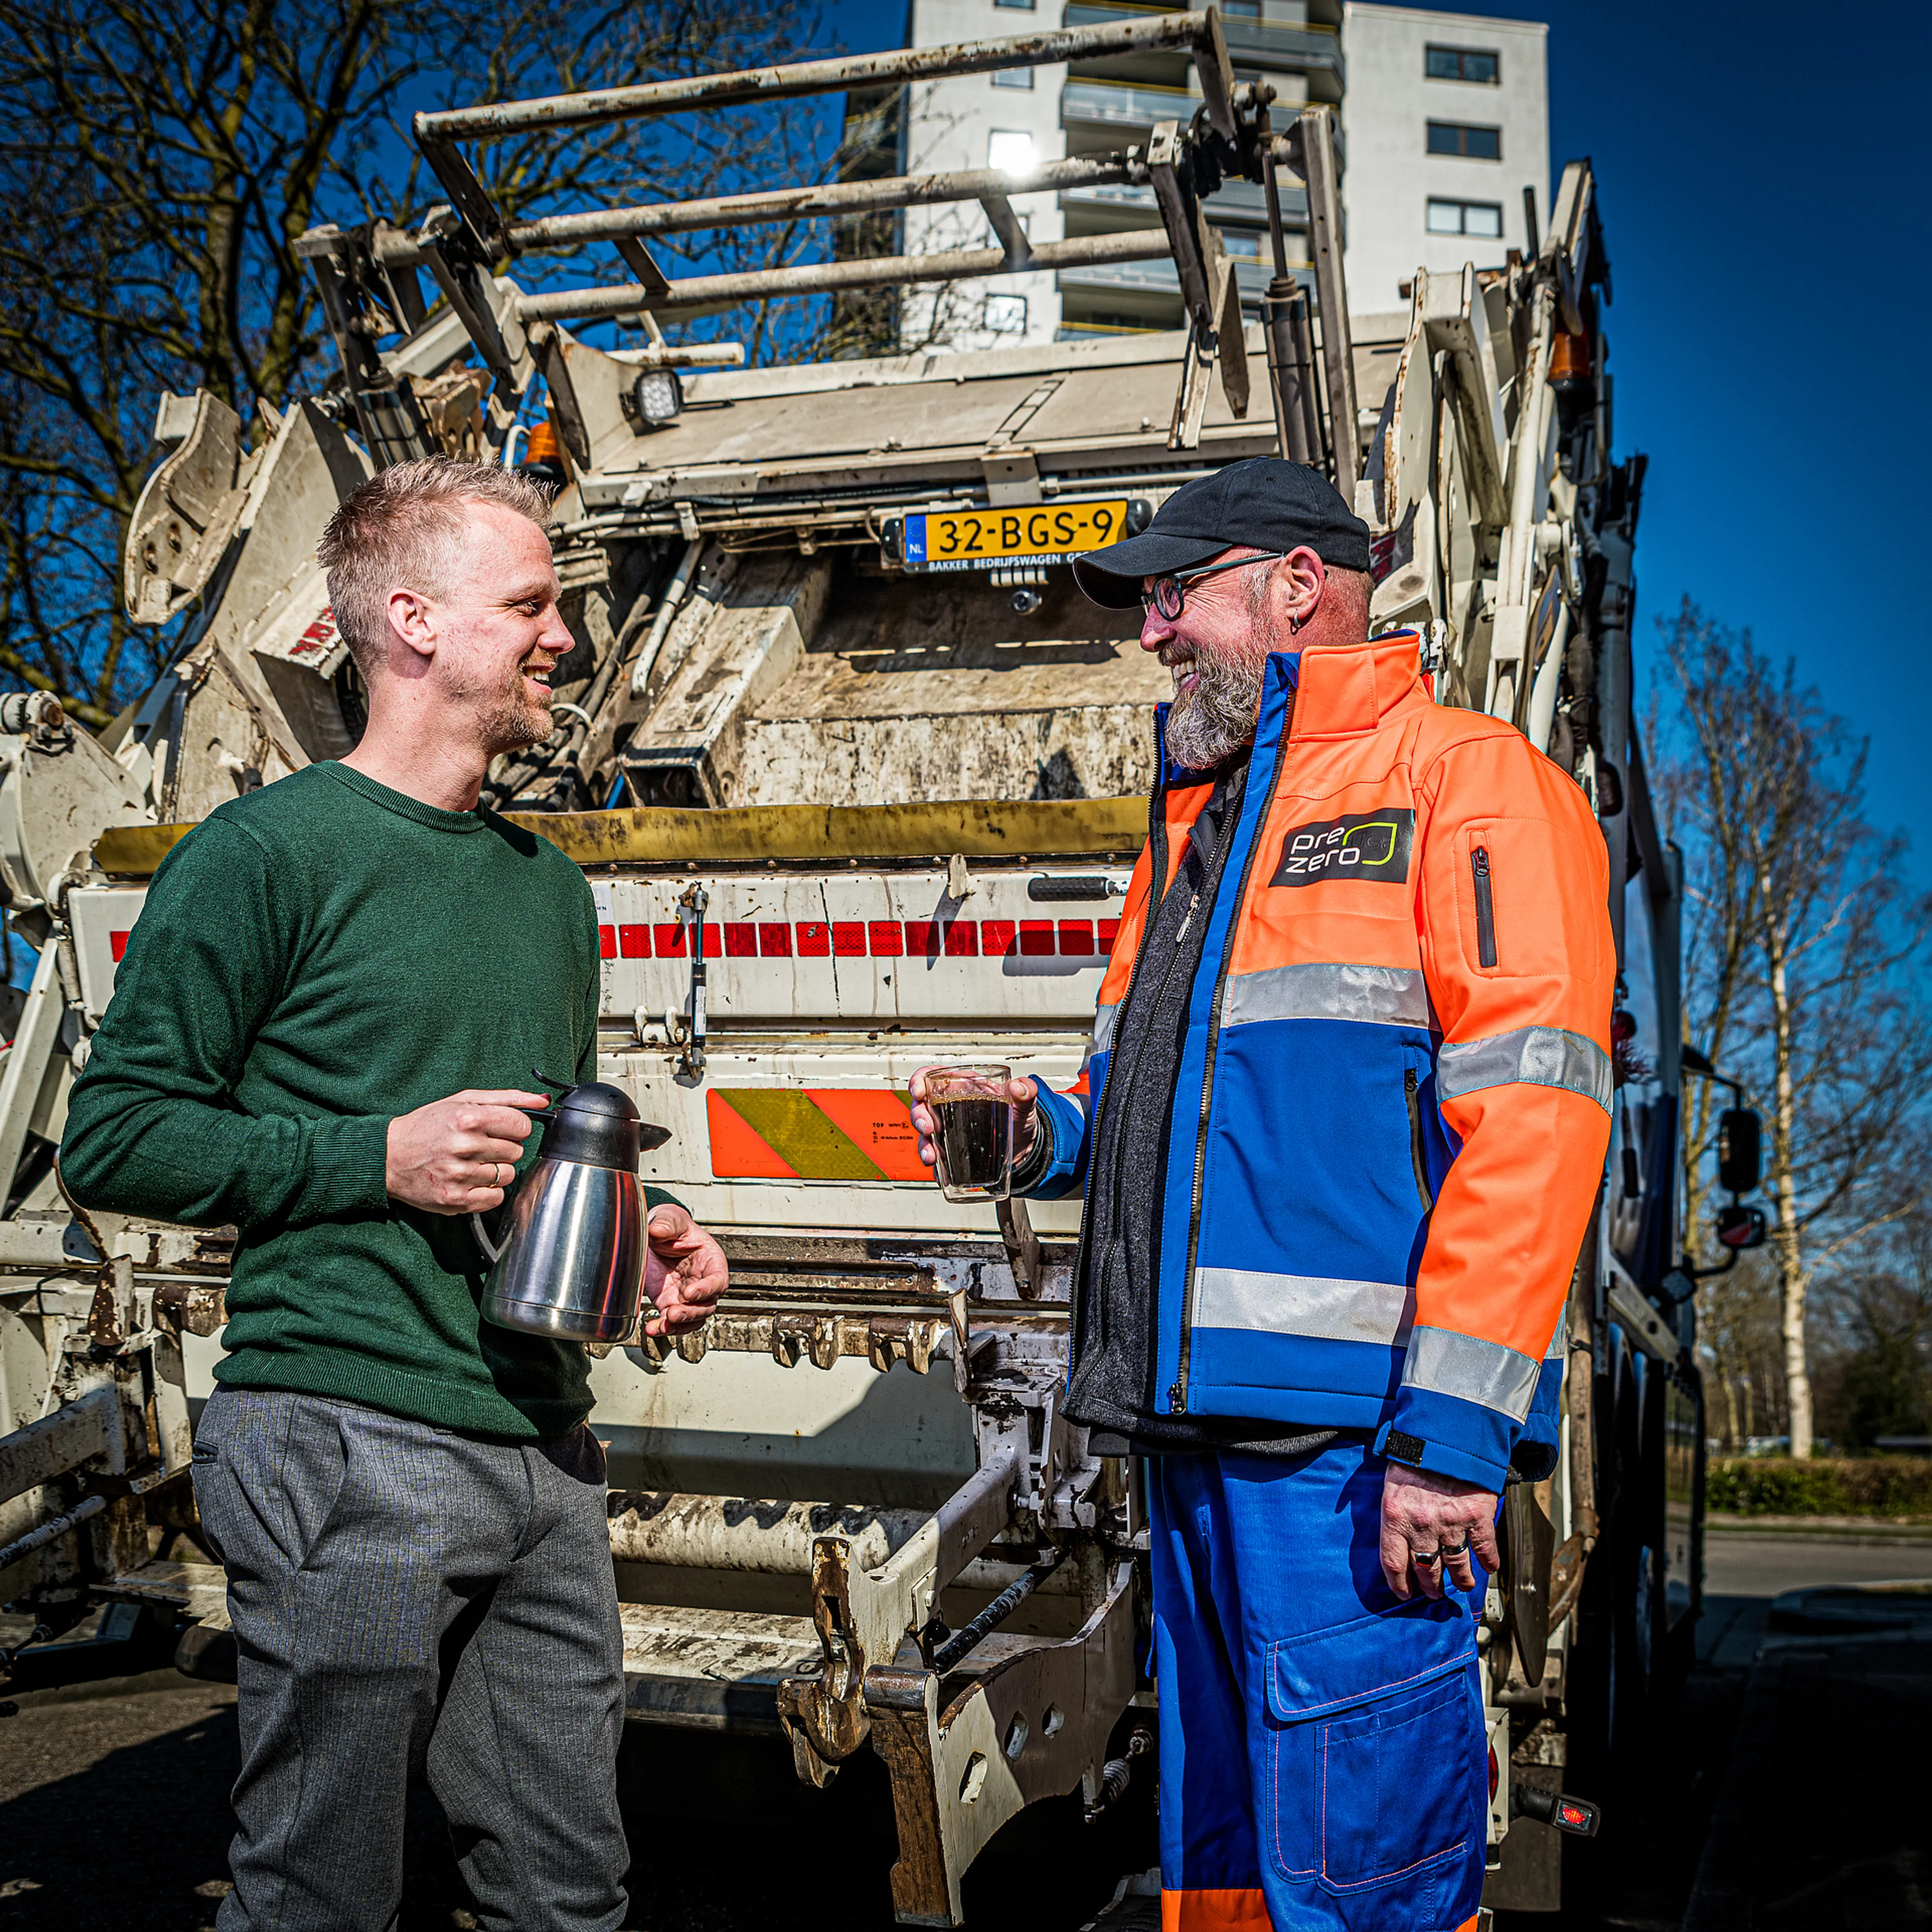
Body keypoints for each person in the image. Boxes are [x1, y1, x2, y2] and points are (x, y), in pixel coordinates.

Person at [910, 458, 1613, 1932]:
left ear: (1298, 587)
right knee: (1227, 1874)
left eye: (1176, 595)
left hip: (1355, 1467)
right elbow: (1171, 1127)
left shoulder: (1468, 783)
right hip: (1201, 1451)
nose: (1151, 632)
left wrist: (1455, 1442)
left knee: (1359, 1886)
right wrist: (1039, 1135)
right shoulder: (1200, 825)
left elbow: (1535, 1124)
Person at [60, 456, 728, 1932]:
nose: (565, 638)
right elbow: (115, 1136)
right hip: (343, 1447)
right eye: (533, 604)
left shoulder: (544, 886)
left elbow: (537, 1148)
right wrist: (376, 1156)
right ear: (413, 620)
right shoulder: (262, 857)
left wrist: (638, 1237)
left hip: (543, 1453)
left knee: (570, 1893)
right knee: (321, 1894)